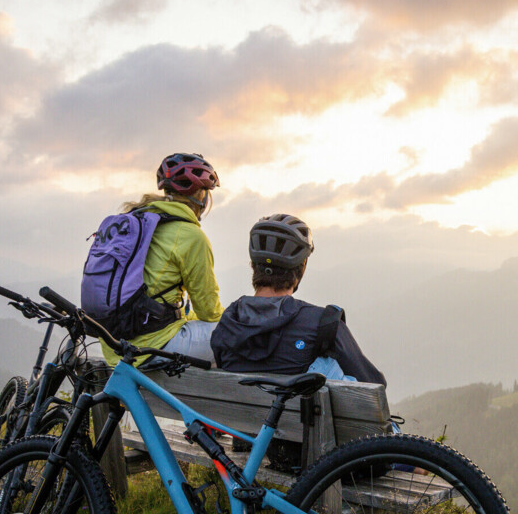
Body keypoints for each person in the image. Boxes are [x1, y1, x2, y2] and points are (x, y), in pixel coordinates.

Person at [210, 213, 386, 386]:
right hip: (297, 415)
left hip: (231, 414)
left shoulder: (229, 322)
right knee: (327, 367)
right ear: (301, 268)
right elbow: (373, 386)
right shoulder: (324, 324)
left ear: (253, 265)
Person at [99, 152, 224, 367]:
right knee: (229, 335)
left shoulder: (138, 220)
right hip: (150, 347)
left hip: (114, 346)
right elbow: (209, 311)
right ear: (200, 195)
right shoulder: (190, 236)